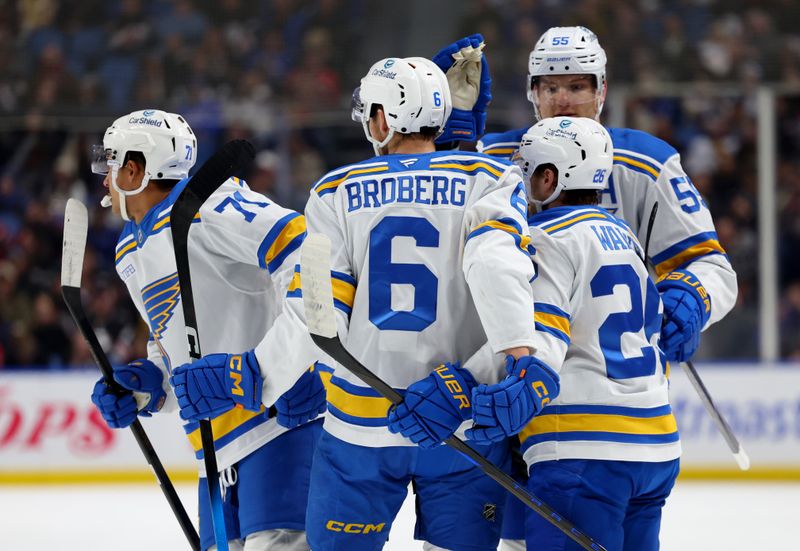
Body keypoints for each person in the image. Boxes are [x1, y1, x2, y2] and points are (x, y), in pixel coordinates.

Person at [457, 26, 736, 549]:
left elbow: (712, 268)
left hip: (587, 411)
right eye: (550, 87)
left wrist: (691, 297)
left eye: (578, 86)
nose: (563, 99)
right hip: (508, 394)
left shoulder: (646, 162)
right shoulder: (490, 156)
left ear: (602, 91)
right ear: (531, 93)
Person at [293, 53, 556, 551]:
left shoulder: (333, 190)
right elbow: (498, 268)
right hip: (460, 416)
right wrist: (520, 355)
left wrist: (283, 375)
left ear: (384, 118)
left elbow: (318, 313)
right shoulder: (493, 176)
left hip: (360, 425)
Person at [88, 109, 326, 551]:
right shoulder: (130, 250)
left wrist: (294, 364)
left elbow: (312, 255)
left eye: (112, 164)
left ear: (136, 170)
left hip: (279, 431)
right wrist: (148, 384)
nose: (104, 178)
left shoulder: (212, 206)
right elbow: (178, 345)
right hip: (214, 453)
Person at [469, 116, 681, 551]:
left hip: (585, 450)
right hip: (657, 445)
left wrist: (464, 383)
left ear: (549, 177)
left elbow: (540, 340)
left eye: (528, 171)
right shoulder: (626, 236)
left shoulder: (545, 238)